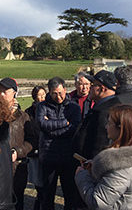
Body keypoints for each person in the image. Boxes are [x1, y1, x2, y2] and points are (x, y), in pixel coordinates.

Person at [75, 105, 132, 210]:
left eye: (109, 123)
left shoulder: (121, 168)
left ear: (121, 129)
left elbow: (98, 202)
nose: (106, 127)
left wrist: (82, 175)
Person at [36, 77, 81, 210]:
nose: (58, 96)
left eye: (60, 93)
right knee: (47, 194)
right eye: (54, 93)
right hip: (49, 156)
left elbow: (75, 128)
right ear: (49, 92)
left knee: (69, 194)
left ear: (65, 90)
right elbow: (41, 124)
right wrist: (64, 123)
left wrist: (50, 128)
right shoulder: (42, 106)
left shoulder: (73, 106)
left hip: (68, 157)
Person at [0, 77, 34, 210]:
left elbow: (31, 141)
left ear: (14, 93)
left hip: (17, 168)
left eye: (5, 91)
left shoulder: (23, 117)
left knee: (16, 202)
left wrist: (18, 152)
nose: (0, 94)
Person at [73, 70, 120, 160]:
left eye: (93, 85)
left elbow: (101, 145)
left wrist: (91, 166)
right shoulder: (105, 107)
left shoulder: (106, 111)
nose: (89, 88)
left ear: (102, 89)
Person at [25, 85, 46, 210]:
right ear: (35, 96)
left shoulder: (49, 108)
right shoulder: (28, 112)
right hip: (34, 149)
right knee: (38, 181)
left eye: (44, 94)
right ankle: (39, 202)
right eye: (40, 95)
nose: (42, 97)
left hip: (47, 149)